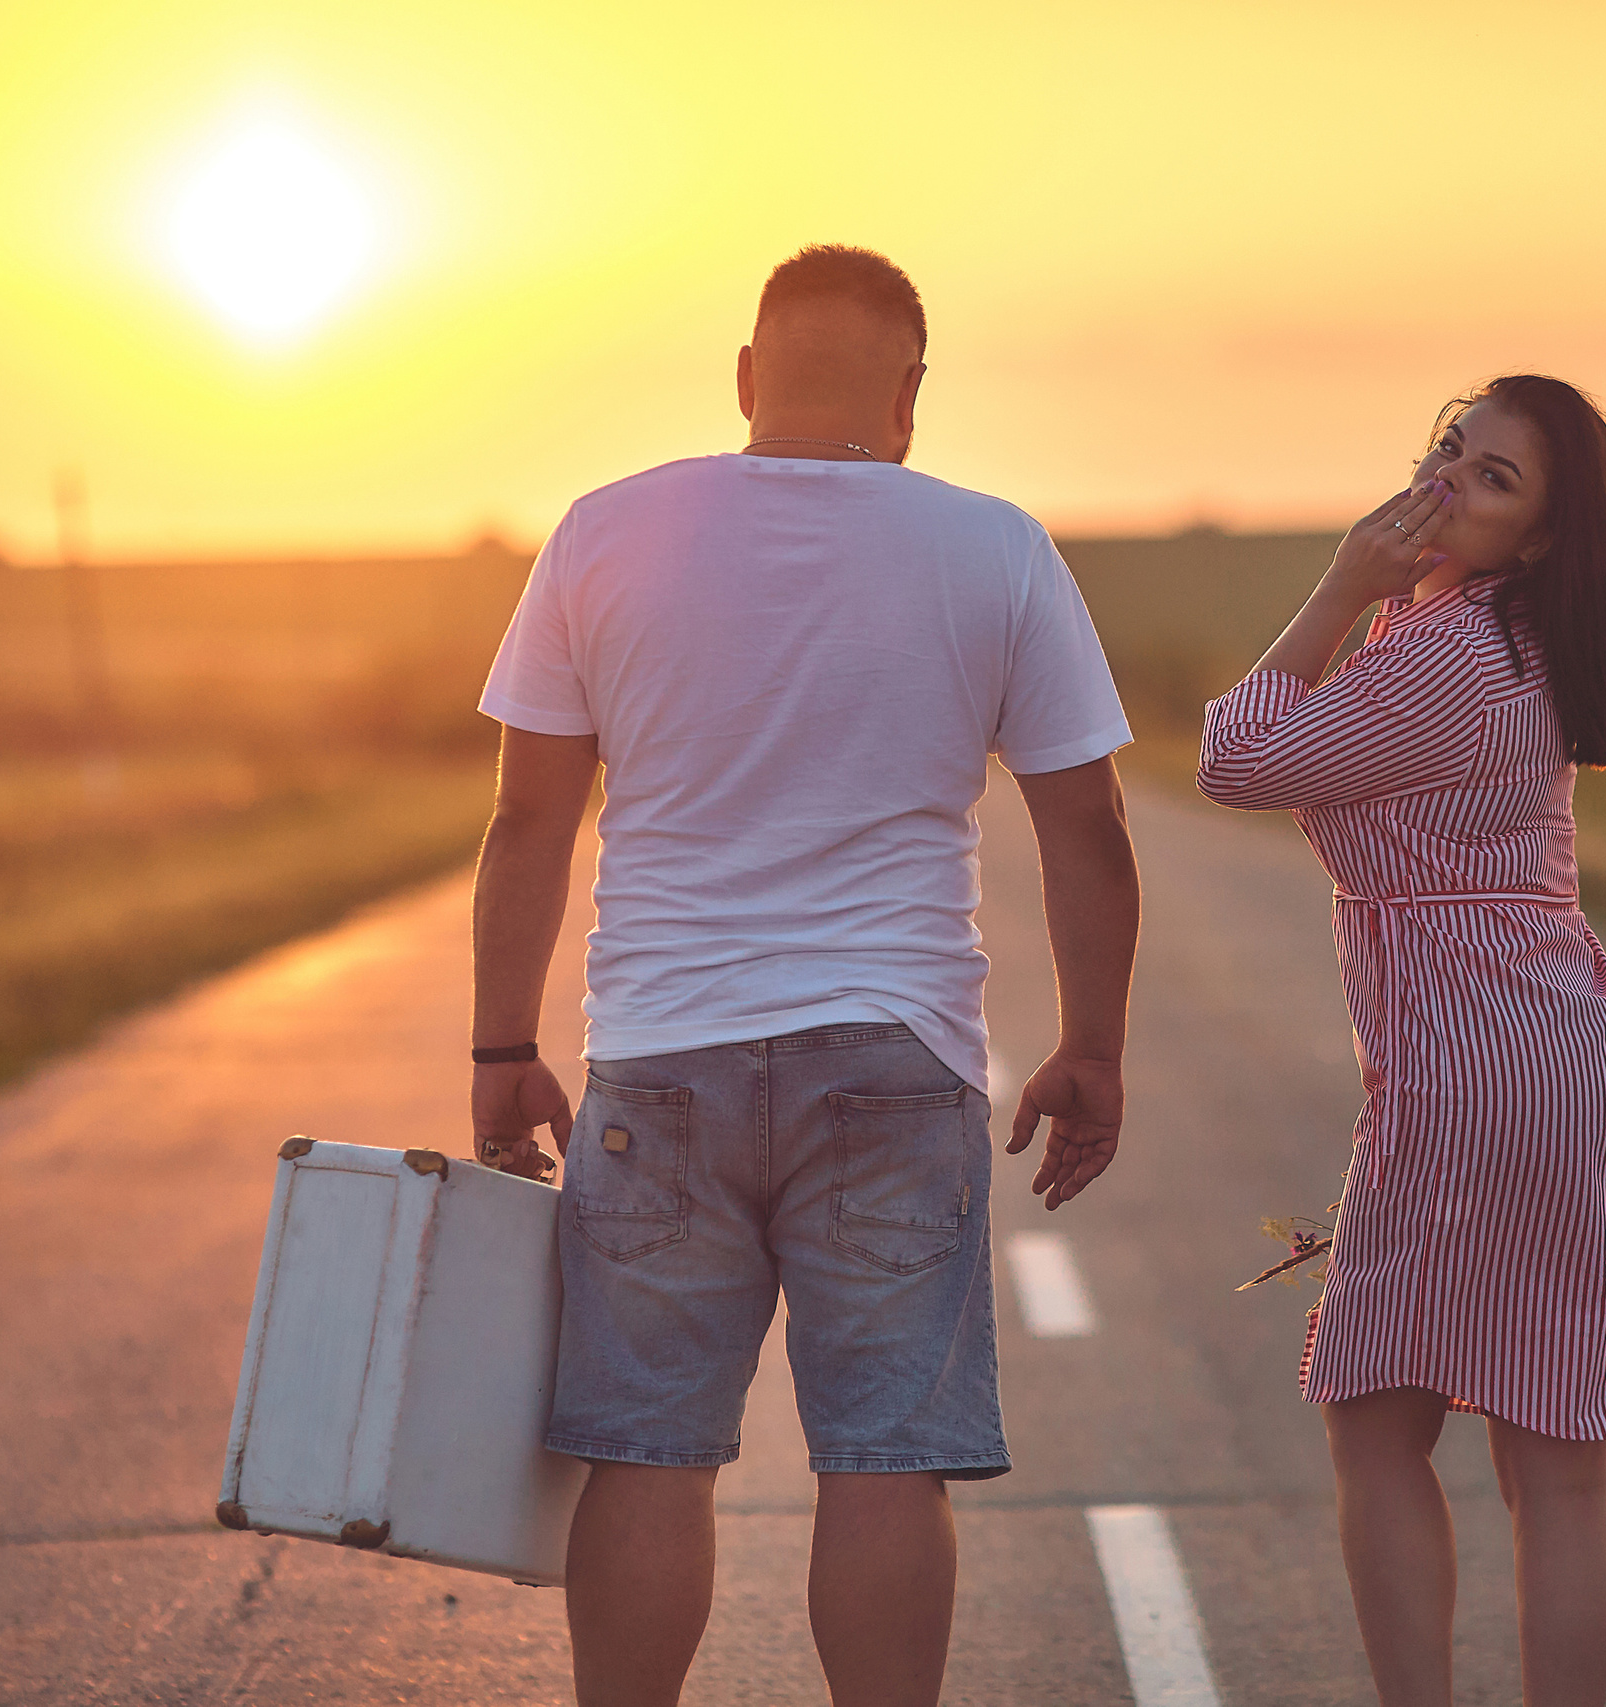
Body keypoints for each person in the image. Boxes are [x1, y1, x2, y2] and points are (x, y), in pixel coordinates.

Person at [467, 243, 1142, 1707]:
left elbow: (529, 815)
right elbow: (1084, 829)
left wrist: (498, 1047)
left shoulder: (606, 531)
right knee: (887, 1461)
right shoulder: (995, 546)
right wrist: (1091, 1047)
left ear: (747, 380)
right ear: (909, 399)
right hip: (894, 1061)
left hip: (661, 1062)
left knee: (647, 1455)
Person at [1194, 374, 1606, 1707]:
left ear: (1537, 540)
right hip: (1574, 1059)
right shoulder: (1514, 642)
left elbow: (1237, 760)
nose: (1446, 482)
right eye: (1448, 451)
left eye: (1492, 479)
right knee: (1556, 1465)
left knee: (1376, 1422)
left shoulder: (1444, 653)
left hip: (1477, 1080)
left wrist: (1338, 586)